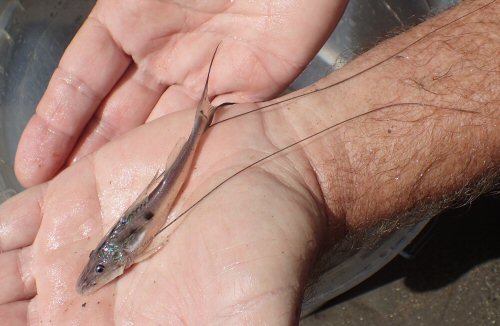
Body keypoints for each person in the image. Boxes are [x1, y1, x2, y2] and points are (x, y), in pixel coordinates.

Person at [0, 0, 498, 324]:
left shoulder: (125, 250)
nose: (99, 273)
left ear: (113, 258)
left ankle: (205, 120)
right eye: (98, 271)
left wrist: (309, 160)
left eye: (99, 269)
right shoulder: (119, 252)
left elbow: (141, 237)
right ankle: (205, 119)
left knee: (175, 164)